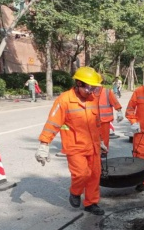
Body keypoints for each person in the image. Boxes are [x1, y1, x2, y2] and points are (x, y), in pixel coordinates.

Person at [35, 67, 107, 216]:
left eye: (93, 87)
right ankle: (75, 192)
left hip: (93, 145)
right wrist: (44, 144)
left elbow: (96, 122)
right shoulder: (65, 100)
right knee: (82, 174)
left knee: (94, 174)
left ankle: (91, 203)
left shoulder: (93, 99)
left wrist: (100, 141)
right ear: (78, 83)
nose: (91, 90)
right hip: (75, 145)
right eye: (88, 87)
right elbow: (53, 123)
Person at [95, 74, 123, 155]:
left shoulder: (107, 92)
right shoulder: (89, 91)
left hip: (104, 120)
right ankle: (97, 151)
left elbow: (115, 102)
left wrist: (119, 112)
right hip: (93, 119)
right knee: (96, 136)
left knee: (104, 137)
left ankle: (103, 151)